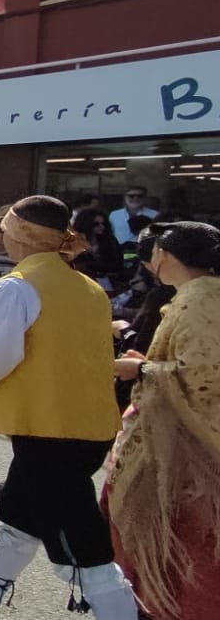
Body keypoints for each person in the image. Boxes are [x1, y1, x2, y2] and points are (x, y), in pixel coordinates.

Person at [0, 195, 137, 620]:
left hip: (48, 427)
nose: (2, 233)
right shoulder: (89, 288)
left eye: (6, 226)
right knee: (21, 510)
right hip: (89, 424)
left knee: (83, 546)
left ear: (18, 234)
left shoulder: (17, 287)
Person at [104, 222, 220, 619]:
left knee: (178, 549)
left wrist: (142, 372)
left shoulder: (197, 300)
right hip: (193, 447)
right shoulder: (200, 295)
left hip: (185, 457)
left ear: (165, 257)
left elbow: (204, 378)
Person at [72, 207, 124, 291]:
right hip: (80, 282)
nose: (101, 227)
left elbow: (117, 264)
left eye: (103, 223)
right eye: (96, 224)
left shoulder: (109, 240)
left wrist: (91, 265)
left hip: (107, 282)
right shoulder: (74, 241)